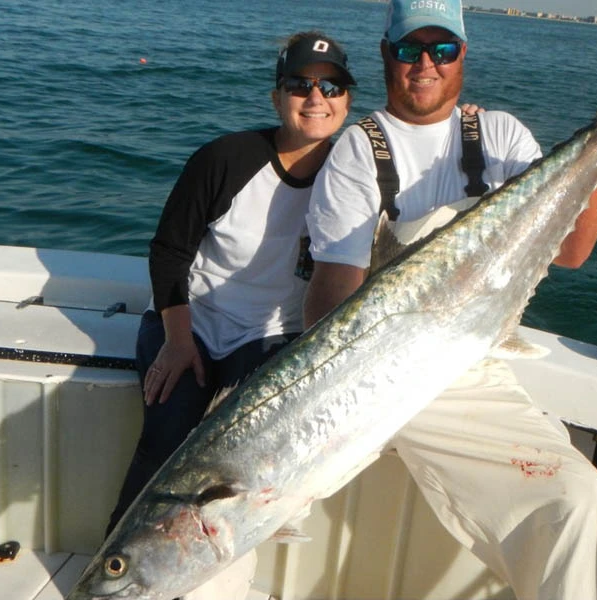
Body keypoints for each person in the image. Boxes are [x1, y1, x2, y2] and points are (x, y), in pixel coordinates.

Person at [304, 1, 597, 598]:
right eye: (409, 50)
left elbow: (572, 253)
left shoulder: (500, 135)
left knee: (580, 501)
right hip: (385, 374)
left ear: (462, 56)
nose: (425, 64)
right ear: (385, 54)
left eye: (442, 50)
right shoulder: (358, 150)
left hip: (478, 360)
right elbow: (327, 308)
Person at [104, 31, 356, 599]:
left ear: (348, 100)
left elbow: (428, 164)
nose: (315, 98)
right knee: (166, 438)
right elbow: (169, 250)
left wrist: (467, 123)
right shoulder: (227, 158)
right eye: (299, 85)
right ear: (276, 97)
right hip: (190, 322)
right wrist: (177, 339)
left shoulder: (356, 175)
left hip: (270, 336)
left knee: (247, 471)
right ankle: (115, 574)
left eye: (331, 86)